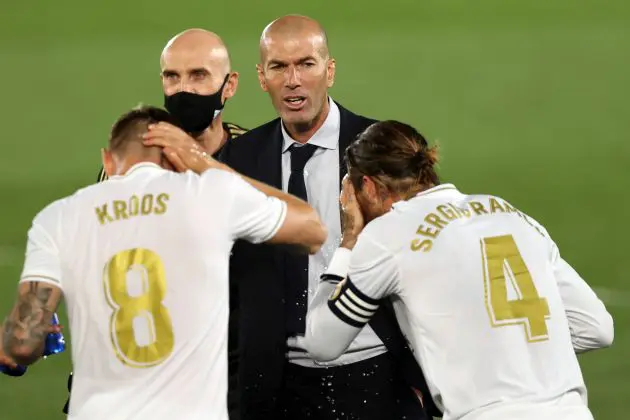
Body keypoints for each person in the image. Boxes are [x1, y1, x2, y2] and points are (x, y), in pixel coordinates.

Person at [1, 105, 326, 420]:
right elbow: (312, 230)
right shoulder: (213, 194)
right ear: (174, 158)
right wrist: (205, 165)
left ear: (107, 161)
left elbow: (21, 345)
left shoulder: (59, 218)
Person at [305, 120, 615, 420]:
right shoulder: (513, 216)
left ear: (368, 186)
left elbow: (322, 342)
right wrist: (512, 353)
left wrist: (349, 242)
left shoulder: (389, 234)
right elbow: (596, 327)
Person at [217, 14, 434, 419]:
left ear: (329, 71)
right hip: (279, 387)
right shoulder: (238, 162)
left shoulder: (384, 148)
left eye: (306, 64)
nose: (293, 79)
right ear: (262, 78)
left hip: (380, 373)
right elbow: (228, 288)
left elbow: (427, 255)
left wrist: (420, 384)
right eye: (279, 67)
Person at [96, 28, 246, 182]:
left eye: (198, 75)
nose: (184, 88)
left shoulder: (259, 152)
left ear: (230, 85)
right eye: (172, 76)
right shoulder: (132, 161)